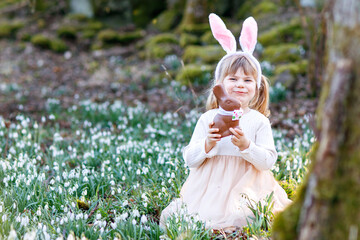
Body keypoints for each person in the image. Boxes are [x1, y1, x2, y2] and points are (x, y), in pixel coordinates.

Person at [160, 13, 291, 230]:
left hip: (248, 186)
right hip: (210, 188)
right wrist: (207, 144)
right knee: (196, 216)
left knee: (246, 215)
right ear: (219, 85)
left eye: (247, 80)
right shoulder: (208, 119)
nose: (240, 85)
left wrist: (247, 147)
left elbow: (268, 161)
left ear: (257, 87)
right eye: (233, 79)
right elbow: (190, 159)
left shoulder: (258, 121)